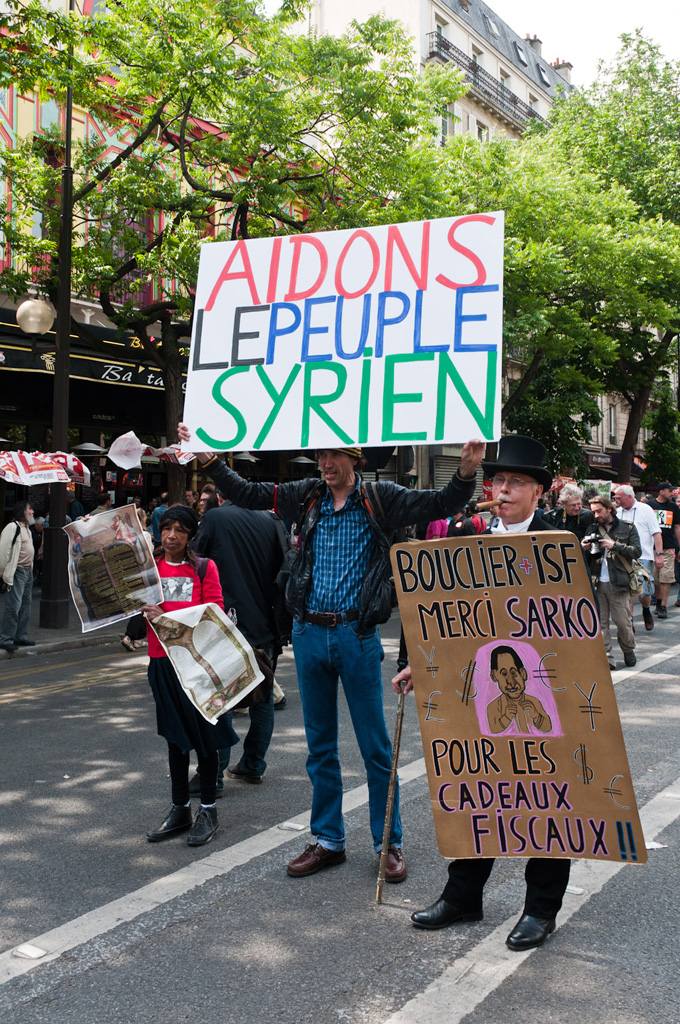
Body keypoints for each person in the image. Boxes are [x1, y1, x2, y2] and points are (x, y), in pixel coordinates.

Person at [178, 421, 484, 883]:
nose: (326, 464)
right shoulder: (307, 494)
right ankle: (328, 840)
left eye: (335, 456)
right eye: (321, 455)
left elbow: (439, 503)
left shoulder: (381, 498)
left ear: (355, 458)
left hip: (356, 637)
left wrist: (464, 473)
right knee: (320, 747)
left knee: (376, 748)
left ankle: (388, 843)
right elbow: (248, 492)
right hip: (309, 635)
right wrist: (210, 460)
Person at [393, 435, 572, 952]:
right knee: (481, 791)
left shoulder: (558, 540)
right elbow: (430, 605)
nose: (504, 489)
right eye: (498, 481)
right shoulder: (464, 534)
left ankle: (541, 908)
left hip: (542, 690)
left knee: (548, 801)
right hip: (480, 691)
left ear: (540, 491)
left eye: (516, 482)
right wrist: (415, 665)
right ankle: (463, 896)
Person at [140, 506, 239, 846]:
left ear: (190, 535)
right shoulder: (148, 568)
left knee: (205, 738)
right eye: (167, 529)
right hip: (162, 663)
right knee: (175, 738)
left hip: (197, 665)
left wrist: (164, 613)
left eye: (180, 530)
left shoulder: (203, 567)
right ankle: (180, 807)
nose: (172, 536)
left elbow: (214, 612)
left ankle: (208, 809)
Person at [190, 498, 288, 792]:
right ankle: (253, 765)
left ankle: (214, 775)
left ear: (220, 496)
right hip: (266, 624)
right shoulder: (271, 520)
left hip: (226, 624)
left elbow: (193, 560)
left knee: (220, 700)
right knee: (263, 697)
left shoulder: (215, 518)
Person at [582, 496, 641, 669]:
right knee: (601, 625)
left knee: (623, 623)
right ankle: (607, 657)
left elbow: (636, 551)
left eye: (599, 511)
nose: (596, 515)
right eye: (593, 512)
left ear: (609, 508)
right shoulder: (592, 528)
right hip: (597, 582)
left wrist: (614, 545)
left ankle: (628, 650)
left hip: (619, 583)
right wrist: (583, 548)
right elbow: (585, 558)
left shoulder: (627, 527)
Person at [614, 485, 663, 630]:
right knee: (626, 591)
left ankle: (646, 609)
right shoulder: (617, 512)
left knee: (644, 592)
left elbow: (656, 533)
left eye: (619, 498)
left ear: (629, 497)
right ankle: (630, 622)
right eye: (615, 498)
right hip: (623, 557)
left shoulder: (645, 509)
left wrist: (659, 555)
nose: (617, 501)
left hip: (643, 557)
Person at [0, 500, 36, 653]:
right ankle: (6, 638)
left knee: (25, 605)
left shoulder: (26, 528)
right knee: (13, 606)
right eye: (30, 509)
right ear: (22, 511)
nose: (32, 512)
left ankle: (20, 635)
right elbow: (3, 552)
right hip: (17, 571)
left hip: (27, 571)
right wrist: (3, 572)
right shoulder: (12, 527)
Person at [646, 482, 680, 619]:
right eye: (669, 491)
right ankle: (658, 602)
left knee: (666, 578)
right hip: (651, 548)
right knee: (656, 578)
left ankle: (663, 606)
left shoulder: (673, 507)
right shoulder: (649, 506)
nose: (672, 493)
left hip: (668, 547)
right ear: (661, 491)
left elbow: (677, 527)